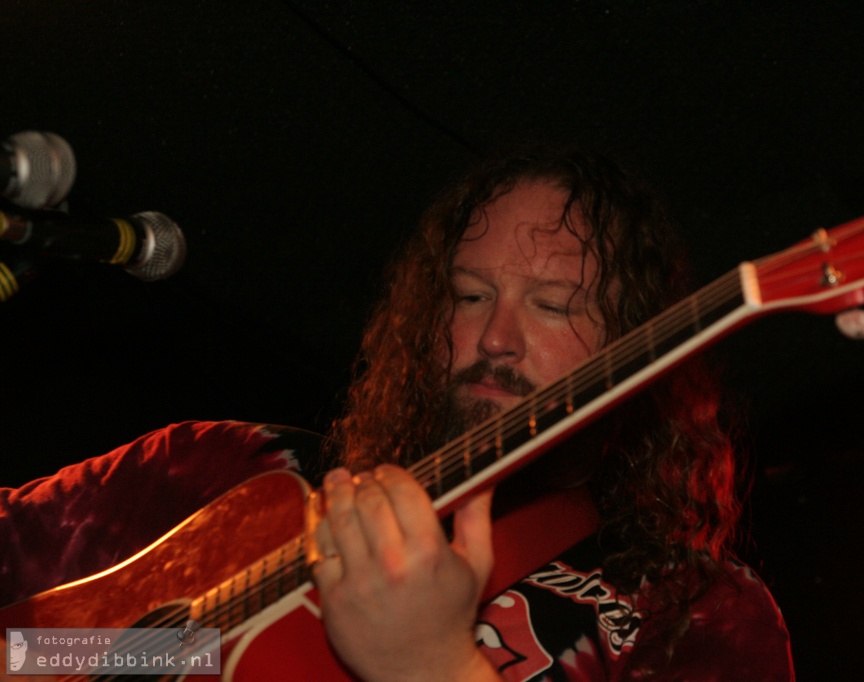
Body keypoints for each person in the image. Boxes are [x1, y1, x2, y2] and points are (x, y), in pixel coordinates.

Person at [0, 147, 793, 680]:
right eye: (472, 295)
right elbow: (44, 648)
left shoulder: (689, 610)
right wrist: (74, 659)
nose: (496, 338)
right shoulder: (226, 467)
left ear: (638, 343)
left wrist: (435, 666)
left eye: (553, 306)